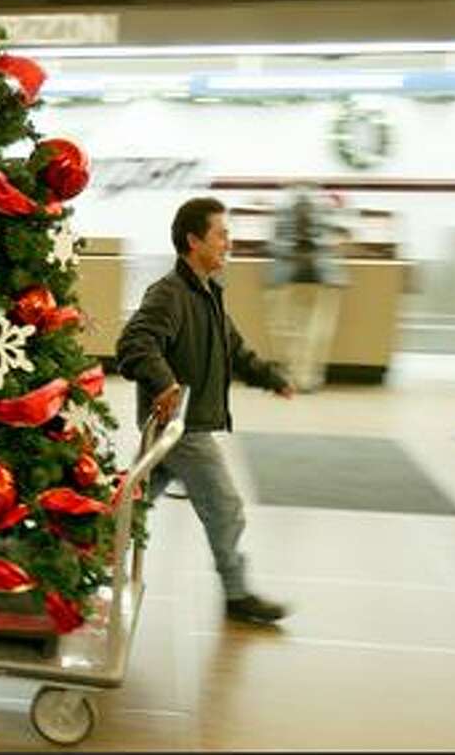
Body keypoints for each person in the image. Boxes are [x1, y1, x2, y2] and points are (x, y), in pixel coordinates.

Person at [116, 196, 294, 626]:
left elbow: (234, 350)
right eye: (221, 235)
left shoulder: (207, 293)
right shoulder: (170, 293)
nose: (228, 243)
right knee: (226, 507)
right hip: (182, 427)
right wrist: (165, 382)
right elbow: (135, 343)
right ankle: (237, 594)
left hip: (186, 426)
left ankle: (83, 560)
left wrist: (272, 378)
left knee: (132, 505)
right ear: (194, 240)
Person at [266, 183, 351, 393]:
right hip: (322, 276)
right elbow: (340, 240)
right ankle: (309, 377)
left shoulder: (283, 211)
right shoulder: (325, 210)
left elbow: (273, 244)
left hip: (287, 276)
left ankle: (294, 376)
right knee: (317, 331)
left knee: (290, 329)